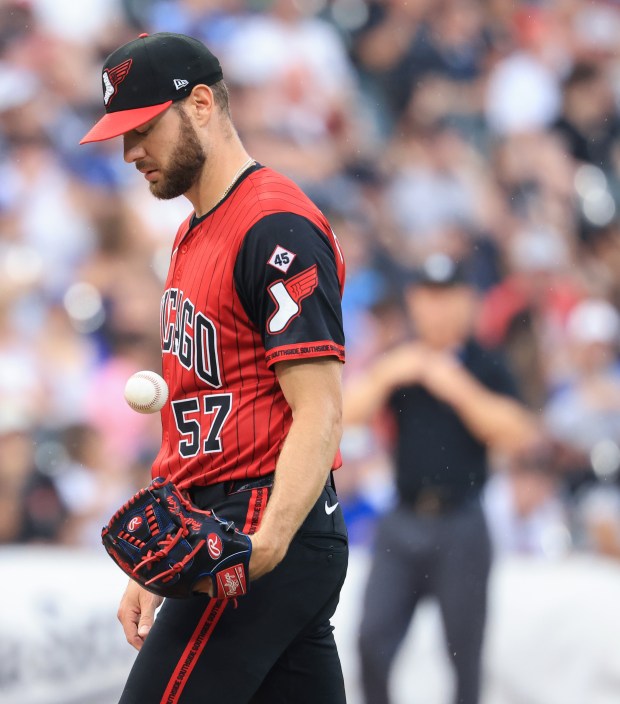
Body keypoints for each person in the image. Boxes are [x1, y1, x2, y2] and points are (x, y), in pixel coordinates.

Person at [80, 32, 348, 703]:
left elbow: (319, 407)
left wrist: (268, 543)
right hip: (226, 523)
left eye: (142, 128)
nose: (131, 152)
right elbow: (198, 402)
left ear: (200, 103)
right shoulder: (194, 228)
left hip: (259, 521)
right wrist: (157, 565)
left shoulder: (275, 225)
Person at [344, 253, 537, 704]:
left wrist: (456, 386)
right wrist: (387, 374)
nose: (437, 308)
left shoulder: (484, 362)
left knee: (464, 658)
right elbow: (344, 416)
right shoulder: (399, 361)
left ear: (468, 301)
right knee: (371, 642)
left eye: (447, 296)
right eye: (427, 296)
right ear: (413, 302)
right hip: (403, 517)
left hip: (462, 523)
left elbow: (520, 433)